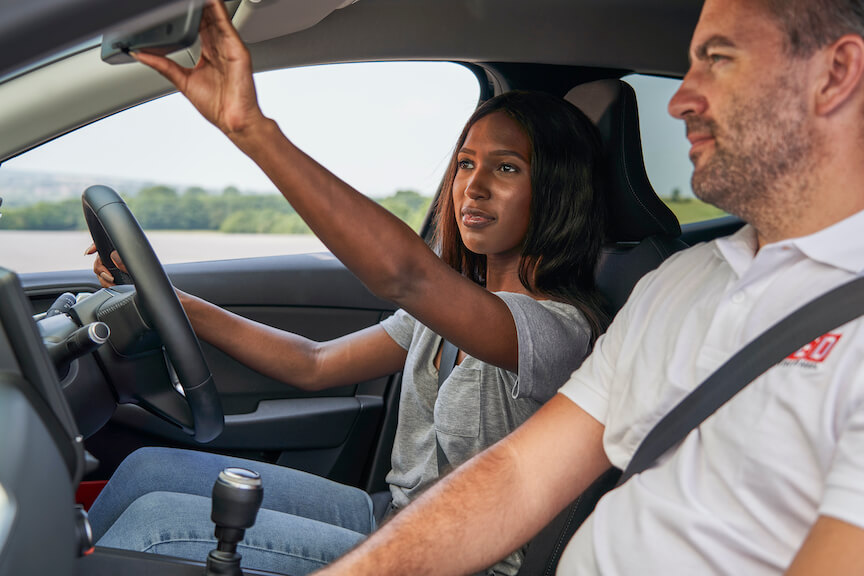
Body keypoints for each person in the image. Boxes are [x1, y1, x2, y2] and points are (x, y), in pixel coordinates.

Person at [302, 0, 864, 575]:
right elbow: (520, 475)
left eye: (719, 59)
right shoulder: (680, 281)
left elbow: (408, 277)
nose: (680, 100)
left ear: (836, 73)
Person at [84, 3, 610, 575]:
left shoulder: (554, 329)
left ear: (557, 190)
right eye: (464, 164)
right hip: (392, 517)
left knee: (157, 528)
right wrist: (173, 304)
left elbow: (405, 273)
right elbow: (312, 364)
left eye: (506, 168)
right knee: (148, 472)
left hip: (462, 559)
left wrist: (250, 129)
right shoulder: (449, 308)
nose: (473, 188)